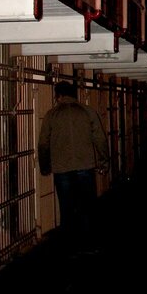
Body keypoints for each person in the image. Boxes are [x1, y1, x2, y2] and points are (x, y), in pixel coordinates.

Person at [38, 81, 109, 252]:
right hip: (85, 165)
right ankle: (90, 243)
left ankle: (69, 246)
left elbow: (43, 143)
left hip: (61, 168)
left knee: (66, 207)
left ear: (59, 96)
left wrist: (45, 165)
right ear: (74, 95)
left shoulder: (51, 114)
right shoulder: (87, 112)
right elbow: (100, 138)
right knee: (87, 206)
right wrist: (103, 161)